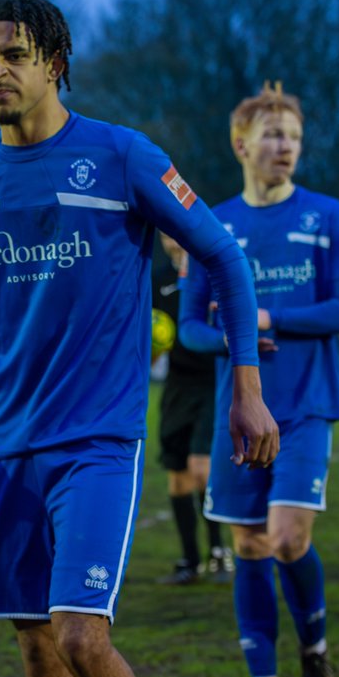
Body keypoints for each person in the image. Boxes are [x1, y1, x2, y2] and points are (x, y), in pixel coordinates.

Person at [0, 0, 277, 677]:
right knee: (35, 648)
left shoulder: (122, 155)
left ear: (54, 64)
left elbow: (224, 256)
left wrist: (247, 386)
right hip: (4, 445)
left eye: (14, 56)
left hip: (97, 440)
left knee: (82, 635)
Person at [181, 83, 339, 677]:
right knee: (249, 542)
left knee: (287, 536)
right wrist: (234, 335)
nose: (286, 146)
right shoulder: (213, 222)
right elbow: (189, 327)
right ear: (241, 144)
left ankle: (314, 652)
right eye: (273, 134)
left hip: (307, 405)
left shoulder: (329, 216)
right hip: (241, 410)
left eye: (293, 135)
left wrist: (268, 316)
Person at [153, 233, 233, 585]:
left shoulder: (210, 275)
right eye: (167, 233)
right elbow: (151, 347)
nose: (176, 239)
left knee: (202, 468)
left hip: (211, 382)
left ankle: (218, 551)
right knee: (178, 475)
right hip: (176, 387)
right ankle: (189, 559)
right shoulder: (155, 281)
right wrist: (154, 344)